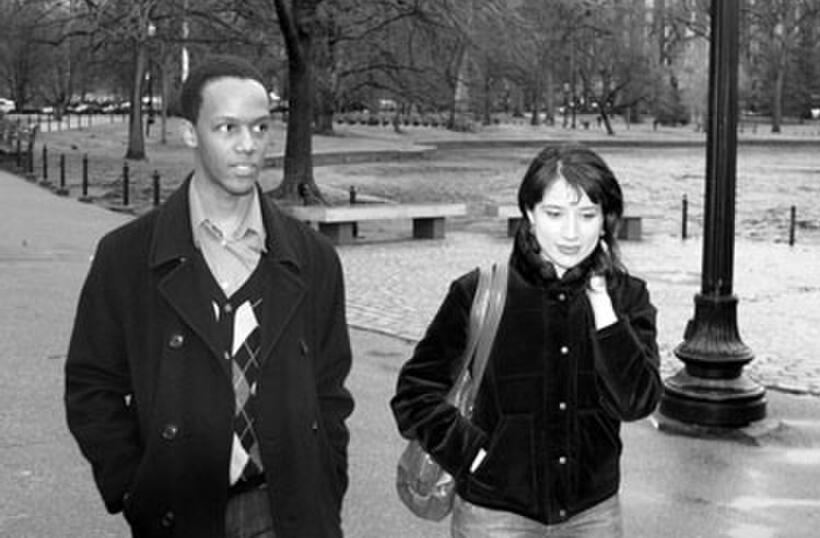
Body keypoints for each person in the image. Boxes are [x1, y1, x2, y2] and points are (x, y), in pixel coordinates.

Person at [64, 54, 354, 538]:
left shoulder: (314, 258)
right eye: (227, 127)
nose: (248, 146)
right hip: (180, 512)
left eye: (261, 128)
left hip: (290, 511)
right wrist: (134, 486)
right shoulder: (127, 256)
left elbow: (330, 389)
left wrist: (328, 477)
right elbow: (92, 384)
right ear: (190, 133)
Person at [391, 143, 662, 537]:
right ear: (530, 215)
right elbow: (414, 392)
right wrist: (471, 452)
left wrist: (603, 304)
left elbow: (637, 402)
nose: (571, 232)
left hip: (592, 513)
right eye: (555, 214)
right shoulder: (479, 291)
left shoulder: (626, 297)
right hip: (496, 514)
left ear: (605, 220)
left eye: (587, 215)